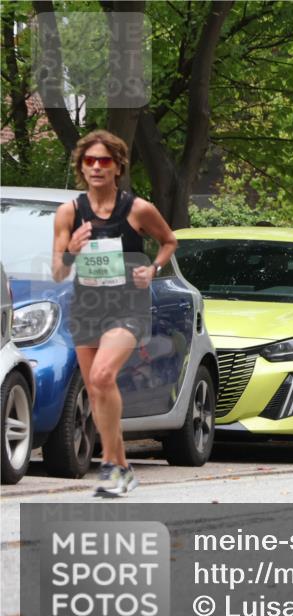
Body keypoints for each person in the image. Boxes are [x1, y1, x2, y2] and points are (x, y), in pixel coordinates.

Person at [51, 130, 177, 497]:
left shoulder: (138, 209)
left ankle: (108, 465)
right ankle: (122, 467)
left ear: (118, 166)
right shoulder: (69, 212)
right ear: (81, 167)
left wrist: (152, 268)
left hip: (127, 307)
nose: (96, 167)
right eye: (89, 161)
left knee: (103, 375)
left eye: (104, 160)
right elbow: (58, 272)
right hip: (88, 307)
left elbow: (169, 241)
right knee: (96, 391)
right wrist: (72, 251)